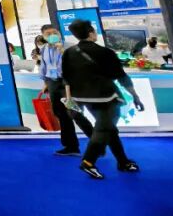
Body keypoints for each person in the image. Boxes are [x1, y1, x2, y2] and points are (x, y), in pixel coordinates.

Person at [62, 19, 143, 179]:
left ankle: (123, 162)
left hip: (82, 99)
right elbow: (122, 77)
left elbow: (66, 79)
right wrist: (135, 96)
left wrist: (70, 102)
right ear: (91, 33)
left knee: (109, 130)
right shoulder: (105, 52)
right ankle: (88, 162)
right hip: (106, 98)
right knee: (103, 129)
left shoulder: (69, 52)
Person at [40, 24, 93, 156]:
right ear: (44, 37)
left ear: (59, 33)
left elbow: (78, 63)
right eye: (48, 34)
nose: (52, 35)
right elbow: (44, 66)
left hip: (68, 83)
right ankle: (71, 146)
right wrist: (46, 83)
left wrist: (62, 51)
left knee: (74, 112)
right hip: (53, 82)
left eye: (54, 32)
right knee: (60, 114)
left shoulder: (70, 46)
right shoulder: (44, 48)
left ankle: (97, 139)